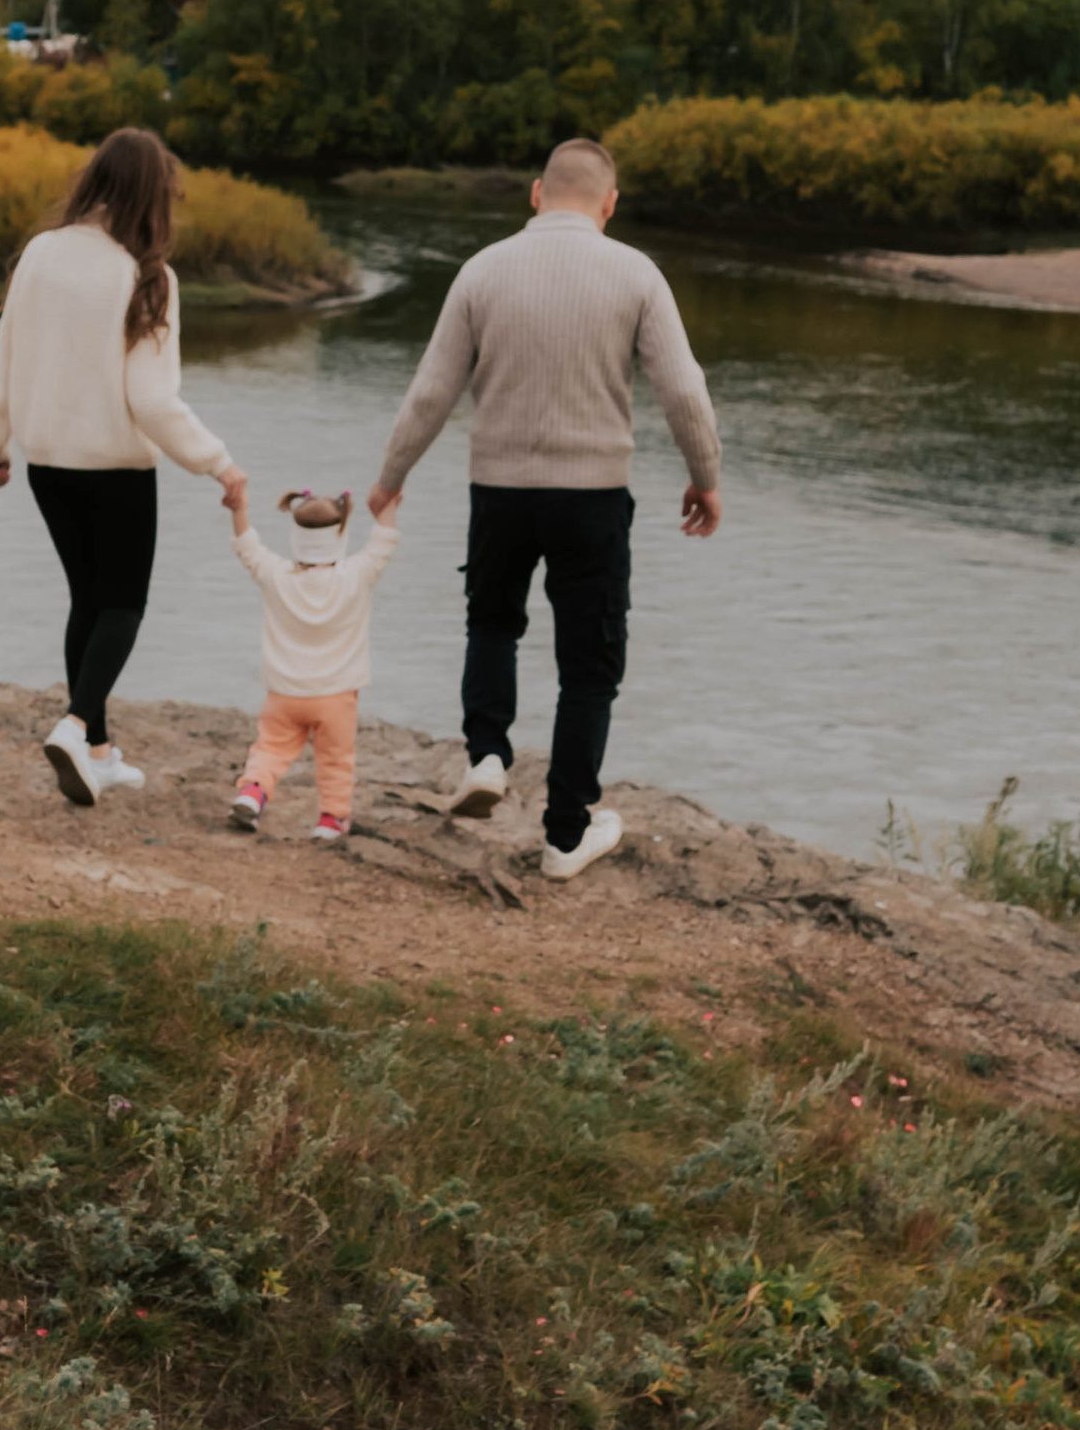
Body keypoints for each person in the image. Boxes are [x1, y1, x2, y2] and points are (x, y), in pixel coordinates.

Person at [368, 137, 721, 882]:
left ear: (535, 193)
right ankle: (565, 836)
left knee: (492, 622)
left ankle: (488, 755)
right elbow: (683, 389)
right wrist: (704, 475)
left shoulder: (482, 270)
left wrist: (390, 476)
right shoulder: (636, 273)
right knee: (588, 666)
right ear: (609, 204)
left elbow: (432, 389)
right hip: (592, 499)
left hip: (498, 491)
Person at [0, 126, 242, 805]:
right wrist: (220, 465)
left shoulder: (40, 253)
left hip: (48, 464)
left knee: (88, 600)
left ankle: (96, 751)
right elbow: (152, 400)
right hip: (118, 469)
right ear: (153, 197)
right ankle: (73, 726)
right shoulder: (146, 276)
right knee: (123, 604)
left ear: (94, 179)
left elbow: (4, 353)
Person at [222, 478, 400, 842]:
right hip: (337, 696)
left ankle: (252, 794)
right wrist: (390, 504)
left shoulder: (276, 575)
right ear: (339, 535)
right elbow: (384, 542)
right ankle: (331, 820)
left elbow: (247, 547)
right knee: (336, 759)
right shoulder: (356, 575)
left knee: (270, 749)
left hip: (284, 694)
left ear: (296, 535)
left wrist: (239, 509)